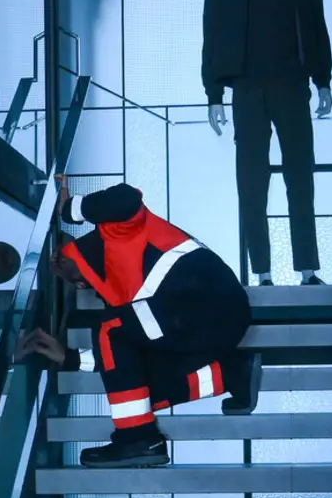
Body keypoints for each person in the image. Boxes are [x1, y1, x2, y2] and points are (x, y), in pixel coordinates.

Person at [16, 178, 259, 468]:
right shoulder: (117, 295)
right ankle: (231, 373)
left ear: (61, 257)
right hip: (204, 326)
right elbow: (120, 364)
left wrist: (70, 208)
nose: (76, 285)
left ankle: (137, 440)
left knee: (112, 329)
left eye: (63, 273)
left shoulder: (114, 231)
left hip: (208, 300)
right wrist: (70, 358)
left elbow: (127, 197)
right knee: (134, 389)